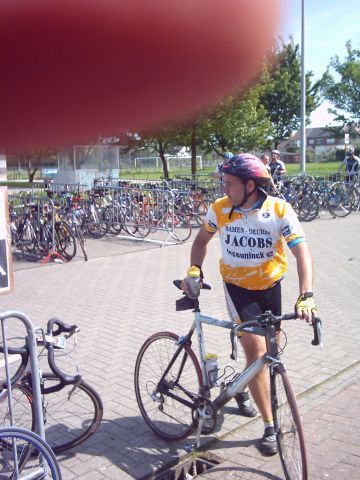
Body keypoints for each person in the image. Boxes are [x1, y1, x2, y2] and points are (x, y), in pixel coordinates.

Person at [182, 153, 316, 455]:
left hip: (270, 287)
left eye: (229, 183)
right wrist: (194, 270)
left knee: (267, 354)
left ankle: (240, 388)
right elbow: (201, 242)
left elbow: (302, 253)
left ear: (250, 184)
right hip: (237, 289)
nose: (224, 189)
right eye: (223, 183)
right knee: (256, 352)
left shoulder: (279, 210)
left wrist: (306, 295)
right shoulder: (221, 209)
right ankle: (270, 426)